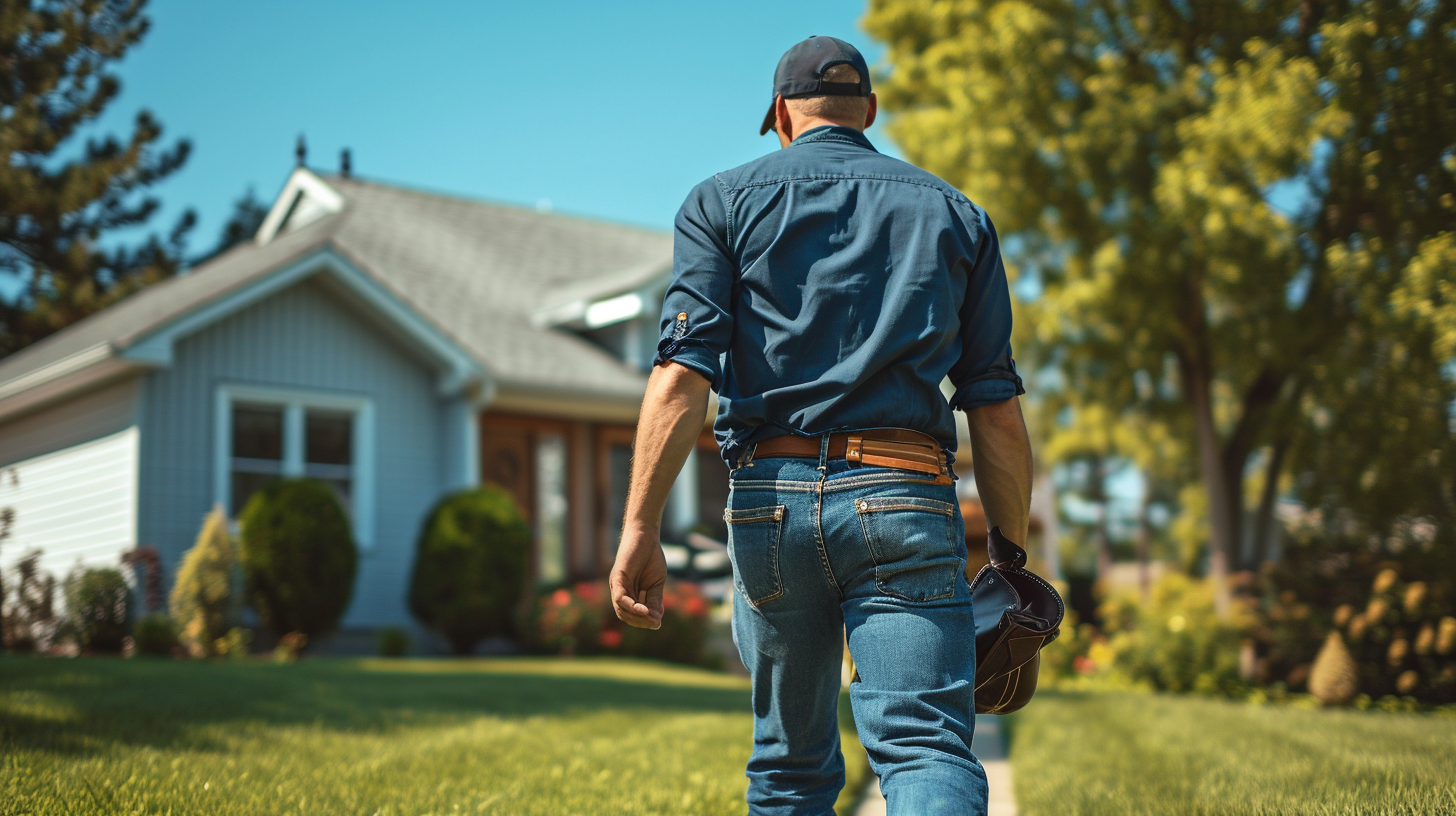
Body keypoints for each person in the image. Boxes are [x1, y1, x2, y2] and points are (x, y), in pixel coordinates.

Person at [609, 35, 1033, 816]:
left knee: (789, 767)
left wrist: (640, 526)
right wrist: (1009, 552)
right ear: (869, 111)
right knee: (926, 748)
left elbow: (680, 377)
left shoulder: (719, 202)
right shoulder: (956, 213)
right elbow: (994, 406)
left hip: (770, 501)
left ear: (779, 115)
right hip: (905, 496)